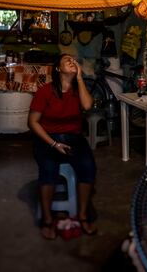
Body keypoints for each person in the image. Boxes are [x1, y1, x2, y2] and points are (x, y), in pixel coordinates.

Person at [28, 53, 97, 239]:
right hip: (48, 138)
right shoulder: (45, 91)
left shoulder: (78, 89)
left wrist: (80, 78)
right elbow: (33, 123)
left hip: (74, 137)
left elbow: (88, 106)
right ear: (58, 69)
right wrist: (53, 143)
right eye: (67, 60)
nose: (72, 61)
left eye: (74, 59)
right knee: (49, 170)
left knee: (88, 167)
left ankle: (82, 215)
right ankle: (48, 219)